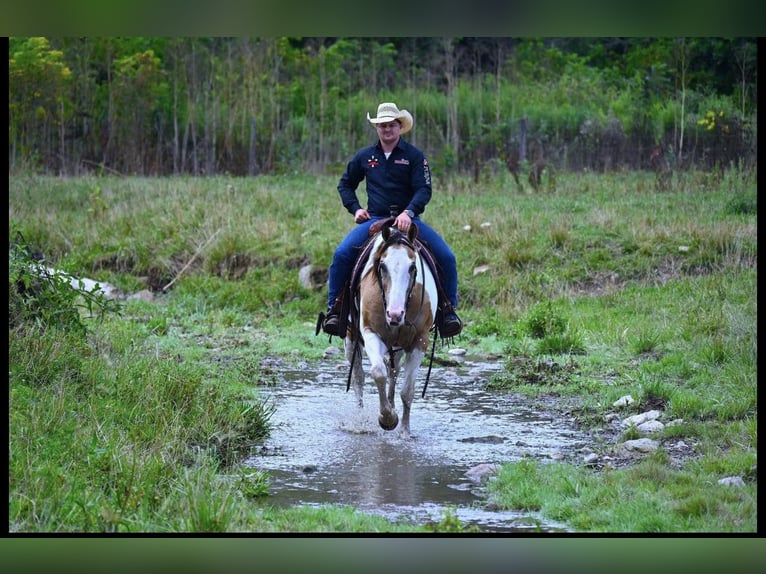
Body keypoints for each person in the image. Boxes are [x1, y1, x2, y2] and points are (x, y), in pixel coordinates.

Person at [318, 101, 462, 339]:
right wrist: (355, 209)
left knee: (446, 256)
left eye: (391, 125)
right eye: (382, 125)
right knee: (342, 254)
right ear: (377, 128)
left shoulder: (414, 157)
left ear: (399, 127)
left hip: (408, 221)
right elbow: (345, 184)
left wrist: (409, 213)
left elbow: (424, 189)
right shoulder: (365, 156)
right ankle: (336, 309)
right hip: (374, 220)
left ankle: (447, 311)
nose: (387, 129)